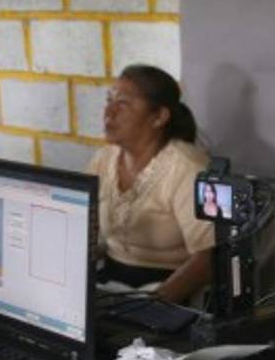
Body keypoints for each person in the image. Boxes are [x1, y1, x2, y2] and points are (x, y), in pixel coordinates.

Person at [88, 64, 214, 304]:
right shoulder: (103, 159)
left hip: (171, 288)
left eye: (123, 104)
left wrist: (154, 303)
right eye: (109, 100)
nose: (108, 113)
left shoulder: (188, 168)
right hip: (112, 282)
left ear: (159, 117)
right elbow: (87, 229)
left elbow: (208, 258)